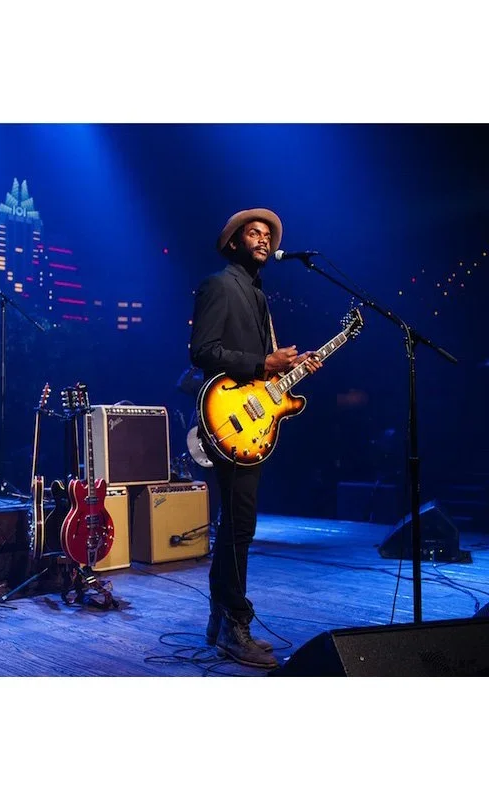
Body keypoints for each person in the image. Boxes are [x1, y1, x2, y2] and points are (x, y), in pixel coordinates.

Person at [189, 208, 321, 669]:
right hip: (227, 417)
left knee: (237, 524)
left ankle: (222, 618)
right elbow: (202, 352)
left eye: (267, 234)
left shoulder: (258, 295)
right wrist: (264, 363)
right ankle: (233, 622)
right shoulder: (220, 285)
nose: (263, 239)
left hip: (253, 416)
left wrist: (287, 365)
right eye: (254, 233)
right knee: (239, 523)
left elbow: (259, 364)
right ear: (235, 242)